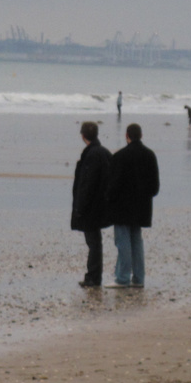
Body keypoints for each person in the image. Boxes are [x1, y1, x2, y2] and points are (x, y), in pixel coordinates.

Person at [105, 123, 159, 288]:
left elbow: (113, 185)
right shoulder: (150, 155)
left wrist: (108, 199)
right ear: (141, 135)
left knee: (123, 242)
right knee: (136, 241)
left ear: (127, 135)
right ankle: (138, 278)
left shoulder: (120, 156)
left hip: (122, 207)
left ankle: (122, 278)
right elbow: (155, 187)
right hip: (142, 207)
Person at [71, 121, 113, 287]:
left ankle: (93, 277)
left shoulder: (91, 155)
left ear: (83, 135)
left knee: (93, 243)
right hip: (101, 204)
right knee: (95, 242)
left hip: (92, 207)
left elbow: (87, 184)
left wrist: (80, 207)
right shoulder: (103, 152)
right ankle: (94, 276)